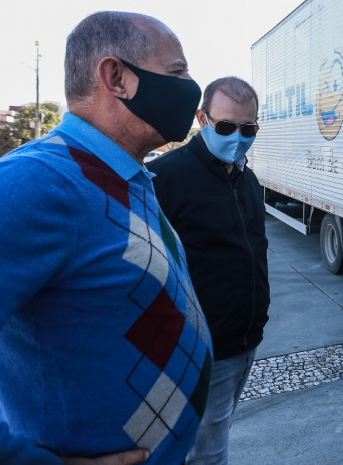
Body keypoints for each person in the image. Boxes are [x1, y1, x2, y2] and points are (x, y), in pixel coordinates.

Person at [0, 11, 214, 465]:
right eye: (178, 72)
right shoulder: (34, 183)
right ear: (116, 77)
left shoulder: (124, 175)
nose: (190, 88)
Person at [147, 76, 269, 464]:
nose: (238, 136)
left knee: (213, 438)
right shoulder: (163, 178)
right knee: (207, 454)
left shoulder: (247, 178)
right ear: (202, 118)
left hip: (244, 341)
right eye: (226, 126)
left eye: (248, 128)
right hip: (201, 348)